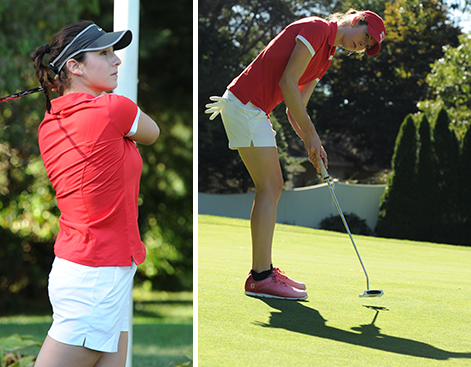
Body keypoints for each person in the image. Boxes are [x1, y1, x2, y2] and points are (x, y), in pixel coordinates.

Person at [205, 10, 386, 300]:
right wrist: (312, 136)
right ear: (355, 20)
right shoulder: (315, 29)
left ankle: (263, 272)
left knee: (271, 187)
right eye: (365, 36)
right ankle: (261, 277)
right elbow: (287, 83)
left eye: (367, 46)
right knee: (271, 186)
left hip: (253, 109)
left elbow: (294, 107)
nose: (362, 45)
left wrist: (313, 145)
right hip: (245, 105)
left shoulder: (326, 59)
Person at [30, 20, 160, 367]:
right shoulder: (114, 108)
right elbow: (152, 132)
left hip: (86, 268)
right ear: (74, 66)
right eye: (104, 53)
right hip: (96, 275)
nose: (116, 60)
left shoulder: (48, 123)